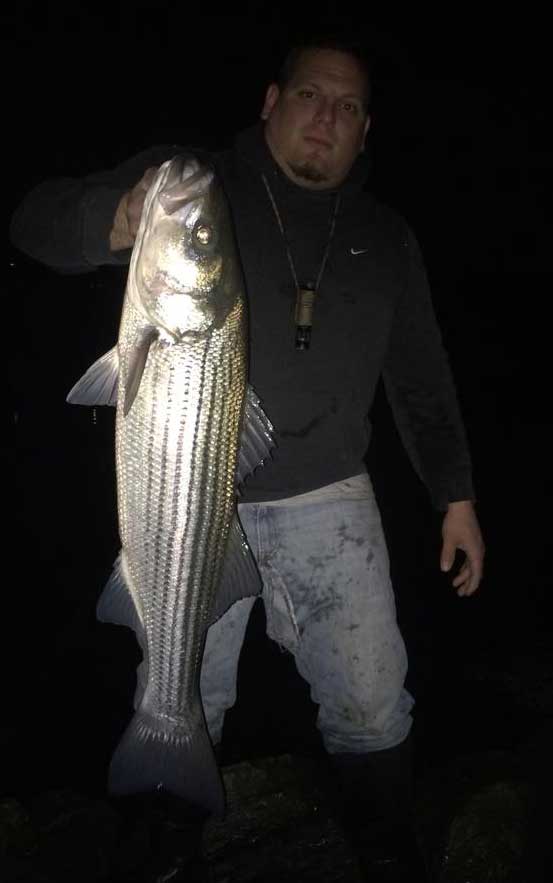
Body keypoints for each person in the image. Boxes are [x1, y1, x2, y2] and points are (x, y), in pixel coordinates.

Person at [11, 35, 485, 883]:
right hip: (192, 500)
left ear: (365, 129)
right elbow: (33, 220)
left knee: (374, 697)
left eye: (346, 109)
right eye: (310, 96)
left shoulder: (384, 236)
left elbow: (421, 376)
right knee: (188, 680)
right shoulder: (192, 183)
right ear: (271, 100)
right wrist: (115, 219)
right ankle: (166, 825)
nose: (324, 119)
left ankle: (382, 835)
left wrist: (454, 496)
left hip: (329, 496)